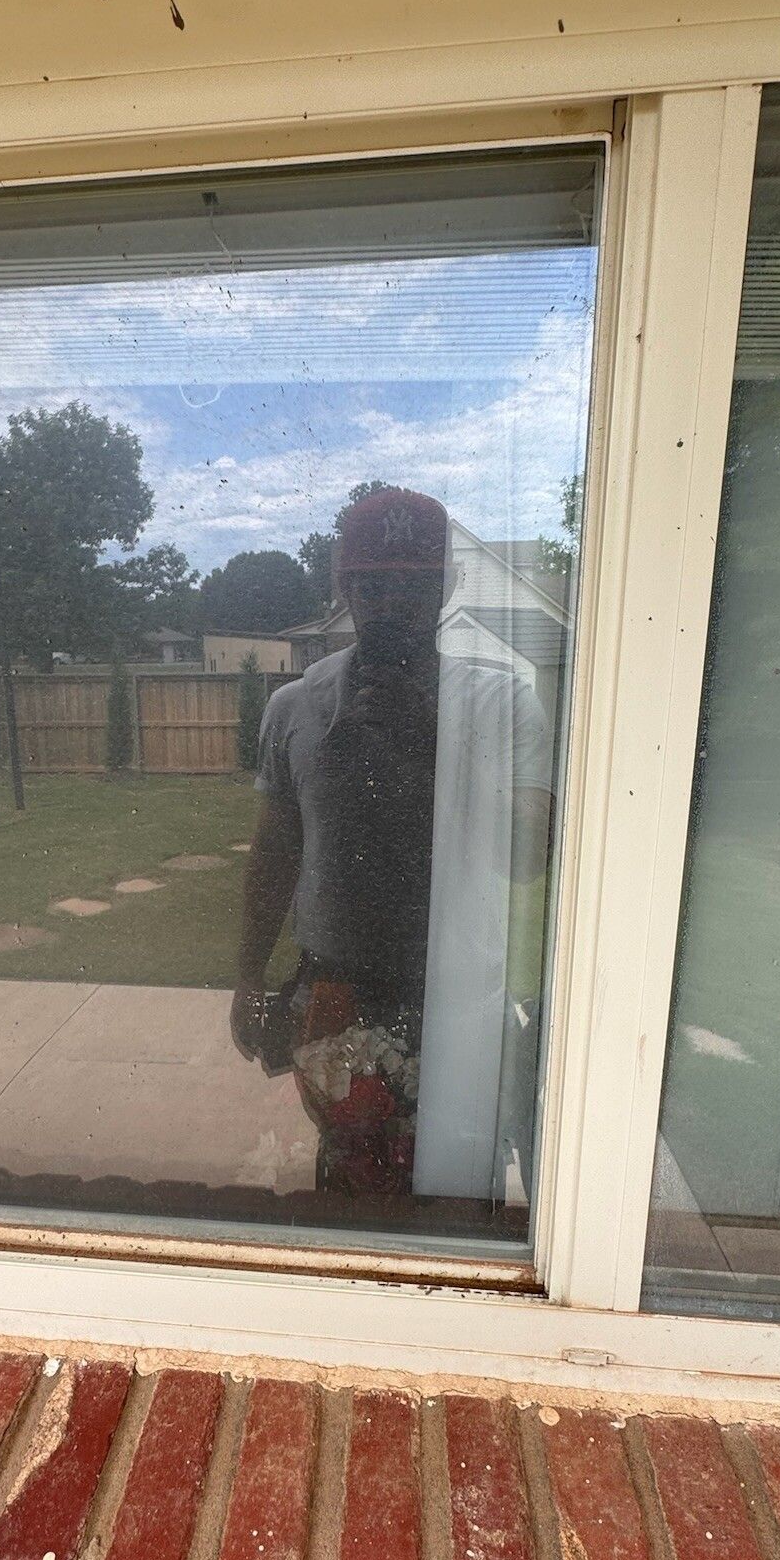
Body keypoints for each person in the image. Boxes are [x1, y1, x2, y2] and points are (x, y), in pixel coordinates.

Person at [231, 487, 554, 1204]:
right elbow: (274, 857)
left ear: (447, 588)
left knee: (460, 1193)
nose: (390, 604)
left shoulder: (504, 705)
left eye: (412, 585)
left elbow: (529, 859)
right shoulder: (297, 708)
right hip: (336, 990)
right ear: (345, 587)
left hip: (460, 996)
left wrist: (430, 743)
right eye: (372, 584)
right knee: (349, 1183)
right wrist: (250, 976)